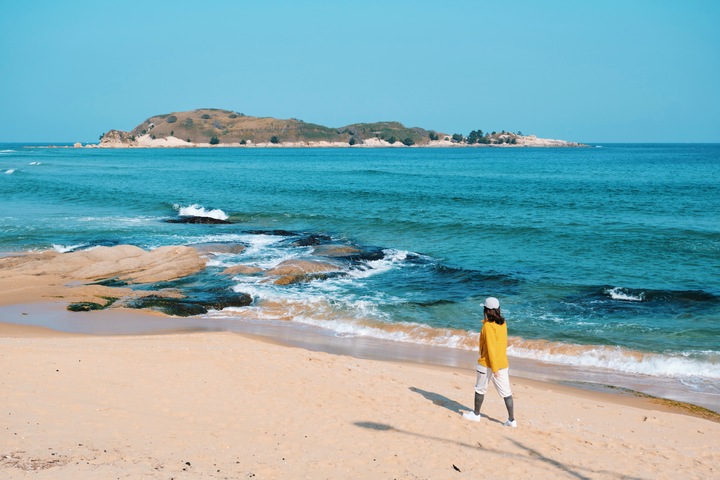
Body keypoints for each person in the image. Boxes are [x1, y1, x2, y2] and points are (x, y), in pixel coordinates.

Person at [462, 296, 516, 427]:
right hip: (503, 362)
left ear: (487, 310)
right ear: (498, 309)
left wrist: (495, 368)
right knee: (506, 392)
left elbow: (491, 348)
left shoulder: (487, 326)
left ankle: (476, 415)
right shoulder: (503, 323)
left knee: (480, 389)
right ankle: (511, 420)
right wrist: (498, 366)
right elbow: (501, 345)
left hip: (488, 363)